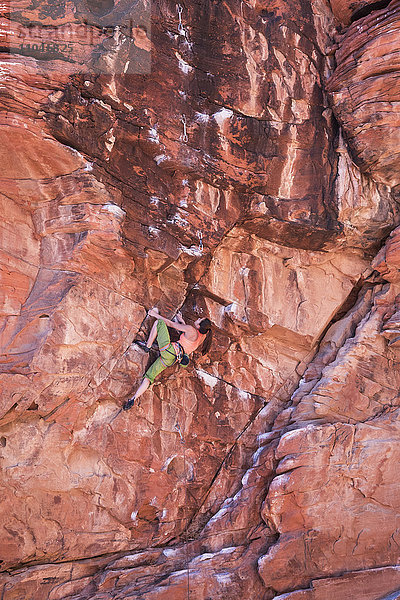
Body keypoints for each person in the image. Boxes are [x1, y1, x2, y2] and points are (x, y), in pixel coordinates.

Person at [123, 308, 212, 410]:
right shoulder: (202, 337)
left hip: (169, 350)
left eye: (200, 319)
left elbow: (171, 324)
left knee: (159, 323)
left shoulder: (191, 329)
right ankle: (133, 399)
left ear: (199, 326)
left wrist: (154, 314)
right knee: (149, 377)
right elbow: (188, 337)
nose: (198, 318)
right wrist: (181, 321)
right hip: (171, 360)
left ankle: (147, 346)